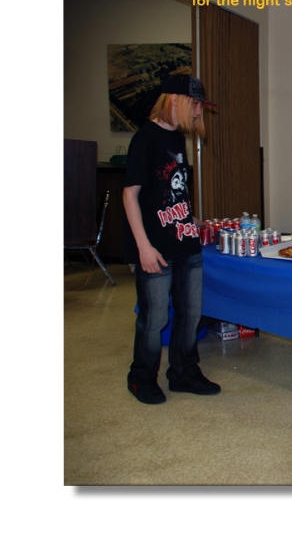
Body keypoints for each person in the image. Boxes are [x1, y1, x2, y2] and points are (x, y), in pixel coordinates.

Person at [124, 73, 221, 405]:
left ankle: (183, 373)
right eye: (196, 105)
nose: (199, 112)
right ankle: (141, 378)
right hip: (156, 246)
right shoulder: (145, 138)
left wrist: (191, 219)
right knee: (154, 318)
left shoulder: (178, 139)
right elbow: (130, 195)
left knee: (191, 312)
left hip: (185, 242)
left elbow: (171, 191)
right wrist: (143, 247)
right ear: (175, 100)